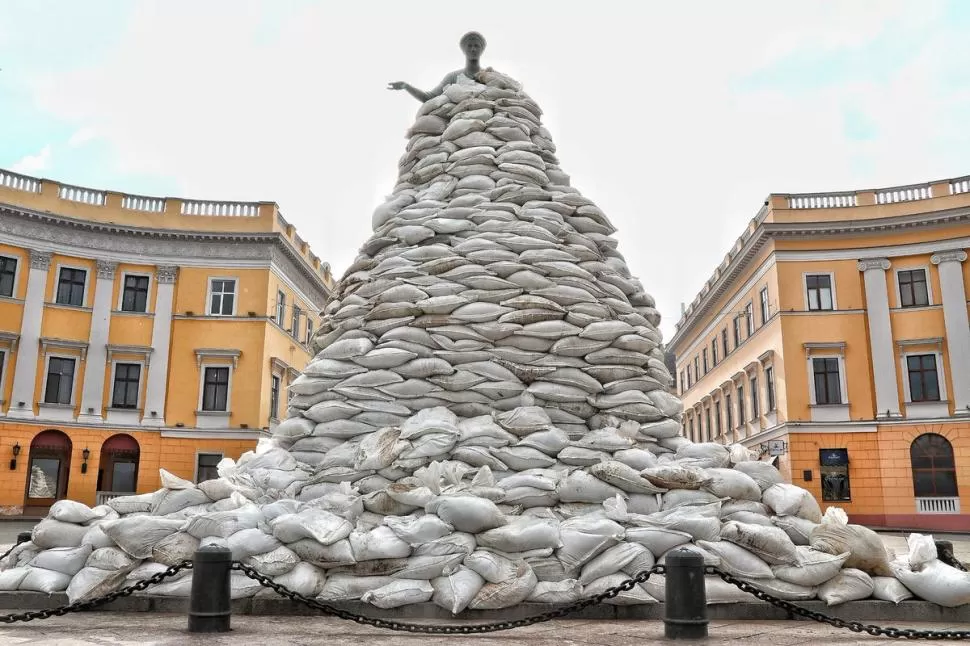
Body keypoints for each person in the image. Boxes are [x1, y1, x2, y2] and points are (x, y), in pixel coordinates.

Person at [388, 31, 486, 102]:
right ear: (463, 49)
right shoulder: (453, 77)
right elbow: (429, 98)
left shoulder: (492, 77)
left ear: (482, 49)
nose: (473, 49)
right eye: (469, 46)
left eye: (476, 46)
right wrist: (406, 86)